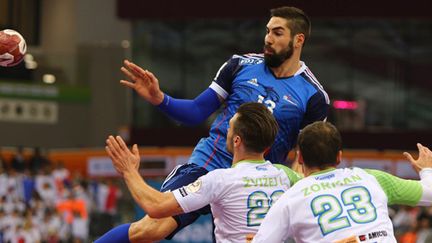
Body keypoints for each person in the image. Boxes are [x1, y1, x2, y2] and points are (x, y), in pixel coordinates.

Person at [108, 6, 329, 242]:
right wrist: (160, 99)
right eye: (267, 31)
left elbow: (306, 156)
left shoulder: (313, 95)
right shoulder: (240, 66)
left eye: (277, 33)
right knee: (150, 230)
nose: (268, 38)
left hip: (257, 184)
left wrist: (294, 187)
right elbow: (196, 112)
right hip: (209, 165)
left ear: (298, 40)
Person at [96, 103, 302, 242]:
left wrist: (129, 171)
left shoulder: (219, 179)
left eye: (229, 128)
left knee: (149, 228)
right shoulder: (286, 176)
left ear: (237, 140)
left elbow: (156, 206)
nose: (225, 132)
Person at [252, 121, 432, 243]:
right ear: (339, 156)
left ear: (299, 158)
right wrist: (426, 169)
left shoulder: (290, 198)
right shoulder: (373, 179)